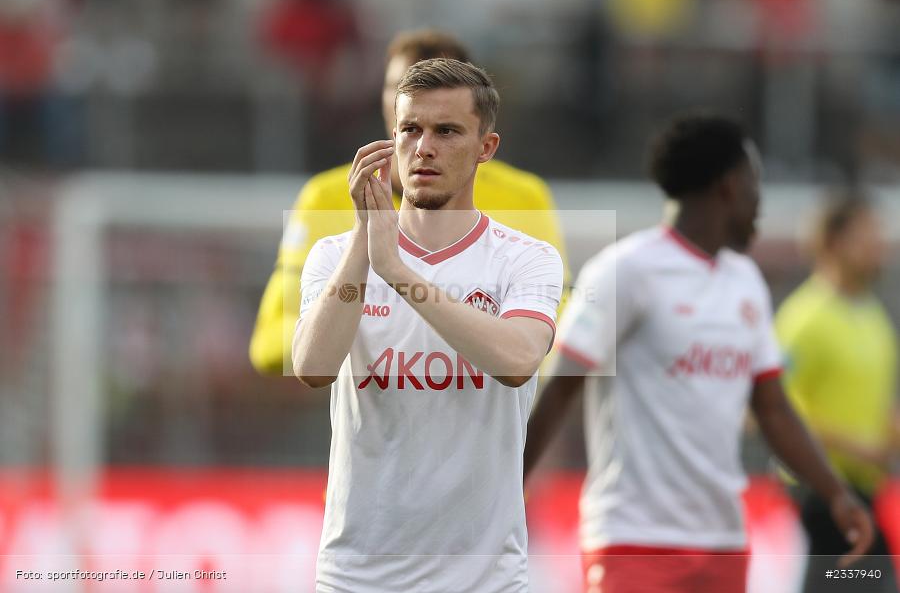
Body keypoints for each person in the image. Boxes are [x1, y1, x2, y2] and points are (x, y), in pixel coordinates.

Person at [522, 112, 875, 593]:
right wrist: (510, 486)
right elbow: (561, 387)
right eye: (755, 184)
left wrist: (835, 492)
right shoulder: (626, 270)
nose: (760, 203)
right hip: (633, 540)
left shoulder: (745, 283)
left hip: (722, 543)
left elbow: (773, 409)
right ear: (729, 186)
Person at [293, 58, 563, 592]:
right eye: (410, 129)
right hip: (357, 575)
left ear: (485, 147)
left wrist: (398, 274)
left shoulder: (525, 259)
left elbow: (516, 361)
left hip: (484, 578)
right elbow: (313, 367)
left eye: (447, 131)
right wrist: (365, 243)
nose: (424, 147)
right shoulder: (333, 256)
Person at [251, 29, 568, 375]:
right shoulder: (326, 199)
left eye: (446, 127)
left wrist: (400, 283)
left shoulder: (523, 201)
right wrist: (351, 321)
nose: (421, 98)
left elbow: (549, 335)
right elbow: (280, 347)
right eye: (399, 86)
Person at [776, 196, 900, 593]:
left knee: (846, 582)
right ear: (833, 242)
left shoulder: (871, 315)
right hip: (823, 488)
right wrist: (858, 446)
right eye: (867, 235)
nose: (878, 245)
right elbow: (776, 411)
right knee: (863, 579)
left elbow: (875, 399)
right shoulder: (805, 318)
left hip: (863, 487)